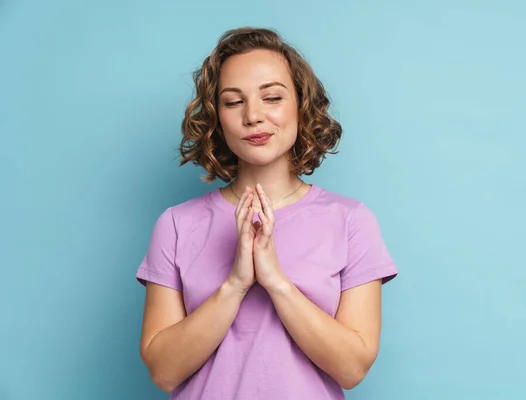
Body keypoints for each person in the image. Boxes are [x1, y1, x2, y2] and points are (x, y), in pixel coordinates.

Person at [135, 27, 397, 400]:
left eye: (272, 97)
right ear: (216, 117)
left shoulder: (351, 221)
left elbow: (352, 369)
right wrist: (236, 283)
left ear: (301, 105)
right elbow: (163, 372)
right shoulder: (176, 225)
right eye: (232, 102)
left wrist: (275, 280)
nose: (253, 116)